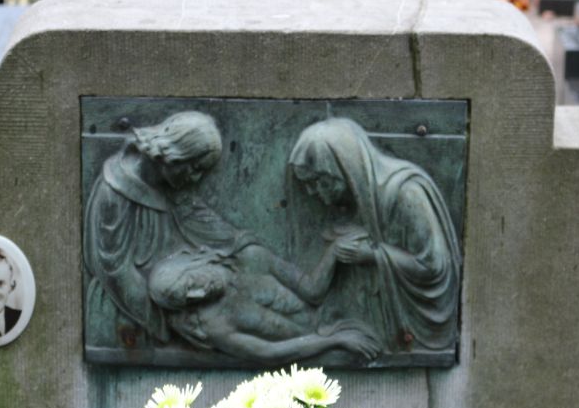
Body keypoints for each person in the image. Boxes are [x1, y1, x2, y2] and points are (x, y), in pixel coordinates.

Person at [287, 117, 461, 353]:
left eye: (318, 182)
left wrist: (372, 254)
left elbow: (433, 266)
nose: (313, 193)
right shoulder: (355, 201)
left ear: (344, 168)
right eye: (307, 185)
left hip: (419, 319)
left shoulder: (406, 193)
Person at [85, 111, 254, 343]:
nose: (196, 178)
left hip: (175, 299)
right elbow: (116, 272)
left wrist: (245, 247)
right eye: (194, 168)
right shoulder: (114, 192)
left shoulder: (169, 182)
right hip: (130, 315)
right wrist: (167, 324)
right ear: (173, 155)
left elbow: (202, 222)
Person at [147, 247, 381, 364]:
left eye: (192, 283)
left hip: (341, 313)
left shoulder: (252, 258)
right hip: (322, 351)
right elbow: (269, 353)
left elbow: (312, 291)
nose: (199, 293)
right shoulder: (214, 326)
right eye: (189, 300)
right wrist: (333, 341)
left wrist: (334, 252)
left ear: (194, 263)